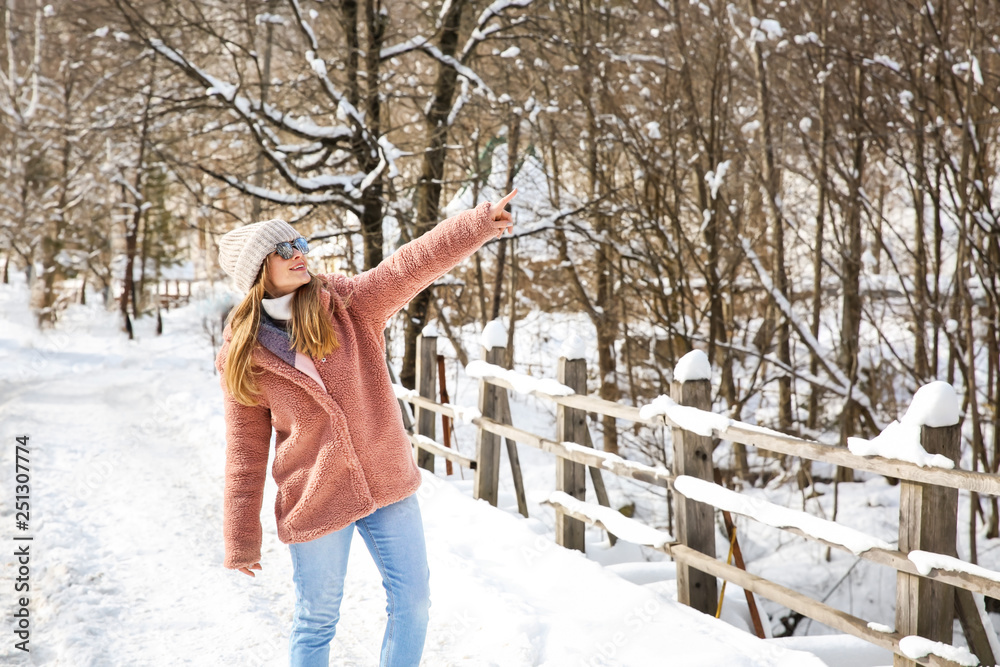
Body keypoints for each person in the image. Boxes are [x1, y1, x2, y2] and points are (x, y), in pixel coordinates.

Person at [214, 190, 517, 667]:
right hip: (313, 496)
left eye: (301, 244)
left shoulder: (349, 304)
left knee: (413, 603)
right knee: (316, 620)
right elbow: (245, 453)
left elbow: (411, 264)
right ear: (258, 270)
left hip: (387, 483)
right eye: (285, 250)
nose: (300, 255)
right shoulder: (243, 353)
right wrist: (240, 537)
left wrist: (478, 224)